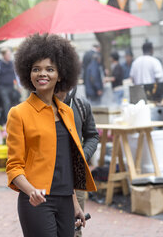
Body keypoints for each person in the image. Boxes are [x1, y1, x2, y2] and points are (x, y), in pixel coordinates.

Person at [6, 34, 97, 237]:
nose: (42, 74)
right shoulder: (18, 113)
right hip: (36, 202)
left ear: (61, 74)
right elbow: (13, 167)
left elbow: (66, 164)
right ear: (28, 74)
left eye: (49, 69)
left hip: (66, 200)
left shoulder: (67, 112)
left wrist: (75, 203)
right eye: (36, 69)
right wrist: (31, 191)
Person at [56, 87, 99, 237]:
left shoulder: (81, 104)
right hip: (47, 180)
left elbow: (92, 135)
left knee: (74, 230)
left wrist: (81, 157)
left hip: (75, 179)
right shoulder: (39, 104)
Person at [0, 47, 20, 125]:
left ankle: (7, 119)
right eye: (8, 54)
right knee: (6, 103)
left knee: (13, 102)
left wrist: (19, 86)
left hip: (11, 86)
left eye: (10, 54)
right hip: (2, 88)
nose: (10, 56)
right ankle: (8, 121)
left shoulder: (12, 64)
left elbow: (16, 76)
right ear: (3, 55)